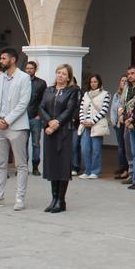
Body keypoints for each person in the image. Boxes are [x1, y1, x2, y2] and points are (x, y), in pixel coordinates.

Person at [0, 48, 33, 211]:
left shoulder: (24, 78)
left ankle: (20, 198)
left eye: (4, 58)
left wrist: (8, 120)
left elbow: (23, 103)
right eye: (1, 57)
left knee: (21, 164)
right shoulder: (0, 79)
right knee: (0, 163)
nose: (1, 60)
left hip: (17, 126)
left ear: (13, 60)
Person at [40, 64, 80, 212]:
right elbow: (42, 107)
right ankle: (54, 198)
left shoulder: (72, 91)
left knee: (62, 166)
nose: (60, 76)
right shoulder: (49, 90)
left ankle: (61, 200)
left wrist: (56, 123)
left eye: (64, 74)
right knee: (52, 165)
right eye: (58, 73)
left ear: (68, 77)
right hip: (50, 131)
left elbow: (70, 110)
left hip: (64, 131)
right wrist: (49, 122)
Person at [77, 74, 111, 179]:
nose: (93, 84)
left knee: (96, 149)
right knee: (85, 149)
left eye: (95, 81)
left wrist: (92, 121)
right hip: (85, 125)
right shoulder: (86, 94)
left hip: (97, 125)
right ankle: (87, 170)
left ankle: (95, 171)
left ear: (99, 82)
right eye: (91, 82)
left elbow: (104, 110)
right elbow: (82, 108)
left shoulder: (106, 94)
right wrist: (83, 120)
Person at [24, 60, 47, 177]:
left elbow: (44, 101)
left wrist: (40, 115)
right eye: (27, 68)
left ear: (35, 69)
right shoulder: (20, 82)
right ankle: (23, 167)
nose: (29, 70)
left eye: (31, 68)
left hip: (35, 118)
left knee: (36, 143)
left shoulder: (41, 83)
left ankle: (35, 167)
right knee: (23, 143)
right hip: (22, 118)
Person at [110, 75, 130, 180]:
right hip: (118, 124)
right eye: (122, 80)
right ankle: (122, 167)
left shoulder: (129, 94)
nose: (124, 82)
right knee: (120, 147)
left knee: (126, 147)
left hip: (125, 123)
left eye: (126, 81)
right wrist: (113, 121)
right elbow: (113, 109)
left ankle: (127, 169)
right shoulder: (116, 95)